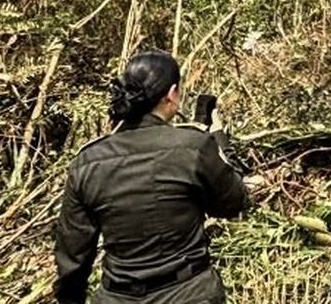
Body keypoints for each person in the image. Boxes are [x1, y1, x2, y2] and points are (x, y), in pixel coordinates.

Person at [53, 51, 249, 303]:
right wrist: (219, 142)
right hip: (189, 293)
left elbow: (73, 255)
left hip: (118, 296)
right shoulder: (193, 147)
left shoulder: (86, 162)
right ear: (172, 93)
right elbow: (234, 203)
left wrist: (70, 299)